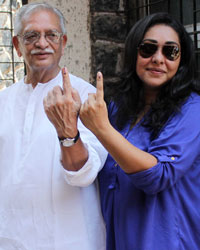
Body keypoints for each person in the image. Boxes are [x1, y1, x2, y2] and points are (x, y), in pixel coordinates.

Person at [80, 12, 200, 250]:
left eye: (170, 51)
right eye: (148, 49)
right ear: (134, 52)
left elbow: (159, 174)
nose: (158, 58)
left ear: (181, 60)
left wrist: (102, 128)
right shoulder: (117, 109)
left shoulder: (192, 109)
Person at [0, 2, 107, 250]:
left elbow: (85, 174)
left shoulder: (86, 96)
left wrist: (68, 133)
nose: (42, 43)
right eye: (31, 35)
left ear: (63, 42)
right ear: (17, 46)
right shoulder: (4, 101)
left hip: (70, 240)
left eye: (51, 35)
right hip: (10, 238)